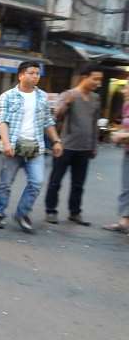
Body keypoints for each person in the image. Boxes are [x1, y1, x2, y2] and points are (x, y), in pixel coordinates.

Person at [0, 61, 63, 233]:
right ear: (21, 75)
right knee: (5, 183)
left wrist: (56, 141)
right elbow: (2, 122)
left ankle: (22, 213)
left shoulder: (42, 97)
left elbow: (48, 122)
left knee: (37, 182)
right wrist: (7, 143)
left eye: (37, 73)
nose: (35, 76)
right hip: (13, 147)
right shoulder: (7, 96)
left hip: (35, 147)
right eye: (31, 73)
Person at [43, 68, 103, 226]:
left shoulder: (96, 98)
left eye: (99, 80)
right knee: (56, 181)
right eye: (95, 79)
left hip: (84, 148)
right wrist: (66, 104)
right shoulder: (68, 94)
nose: (98, 83)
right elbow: (57, 115)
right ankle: (50, 210)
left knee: (78, 184)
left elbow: (94, 123)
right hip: (65, 146)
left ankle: (75, 213)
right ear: (85, 77)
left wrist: (94, 145)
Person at [103, 83, 129, 234]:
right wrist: (119, 134)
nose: (124, 90)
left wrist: (122, 135)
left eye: (127, 87)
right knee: (127, 187)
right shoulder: (126, 105)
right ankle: (124, 221)